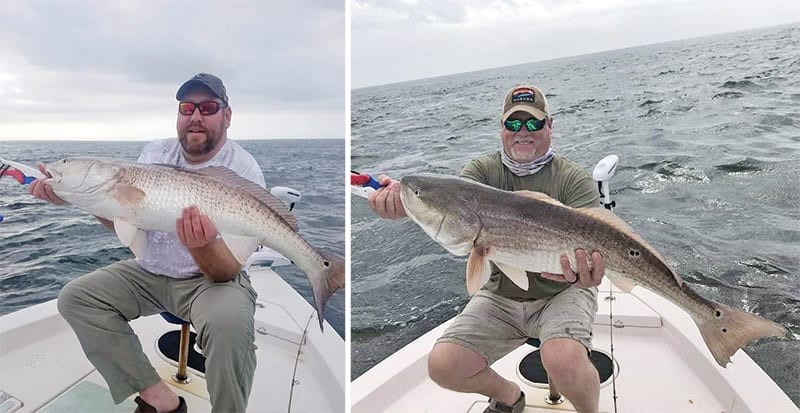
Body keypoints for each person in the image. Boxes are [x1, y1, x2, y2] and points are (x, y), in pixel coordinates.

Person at [29, 73, 264, 413]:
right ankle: (160, 400)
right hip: (150, 273)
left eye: (208, 107)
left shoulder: (242, 168)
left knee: (229, 324)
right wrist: (82, 199)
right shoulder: (155, 151)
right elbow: (126, 219)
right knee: (77, 299)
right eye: (187, 107)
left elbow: (227, 269)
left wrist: (201, 245)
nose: (195, 116)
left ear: (227, 116)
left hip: (210, 281)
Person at [368, 85, 606, 413]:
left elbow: (601, 248)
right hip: (501, 294)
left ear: (550, 126)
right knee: (443, 365)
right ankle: (509, 397)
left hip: (564, 291)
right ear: (502, 128)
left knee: (562, 358)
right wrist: (406, 205)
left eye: (534, 124)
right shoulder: (480, 174)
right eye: (513, 124)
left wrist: (589, 274)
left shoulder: (573, 180)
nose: (523, 132)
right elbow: (451, 210)